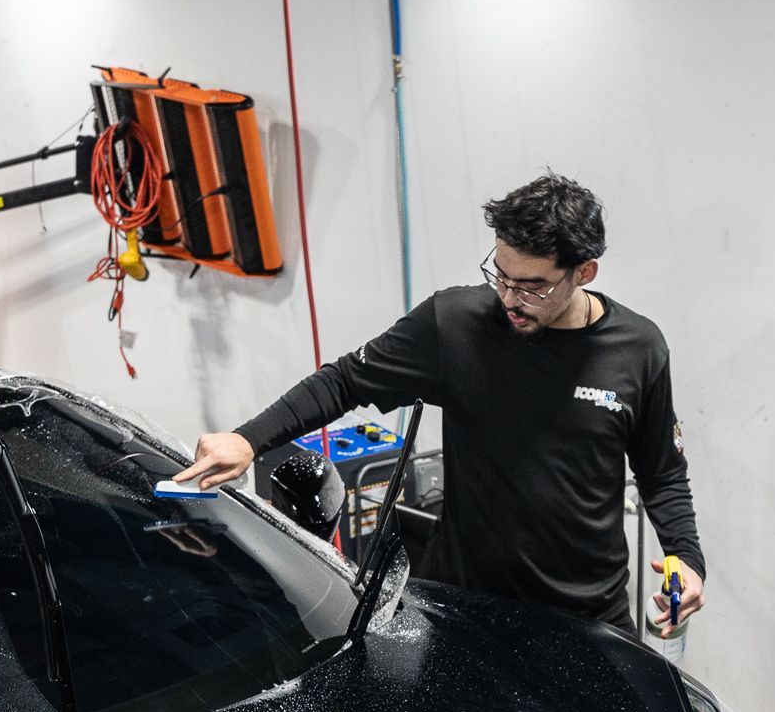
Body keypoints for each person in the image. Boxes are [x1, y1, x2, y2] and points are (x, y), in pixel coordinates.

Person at [174, 172, 704, 637]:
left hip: (590, 613)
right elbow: (345, 381)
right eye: (500, 275)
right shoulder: (454, 325)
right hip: (465, 604)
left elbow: (661, 473)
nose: (510, 298)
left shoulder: (638, 349)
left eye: (533, 287)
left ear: (583, 273)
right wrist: (248, 437)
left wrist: (685, 557)